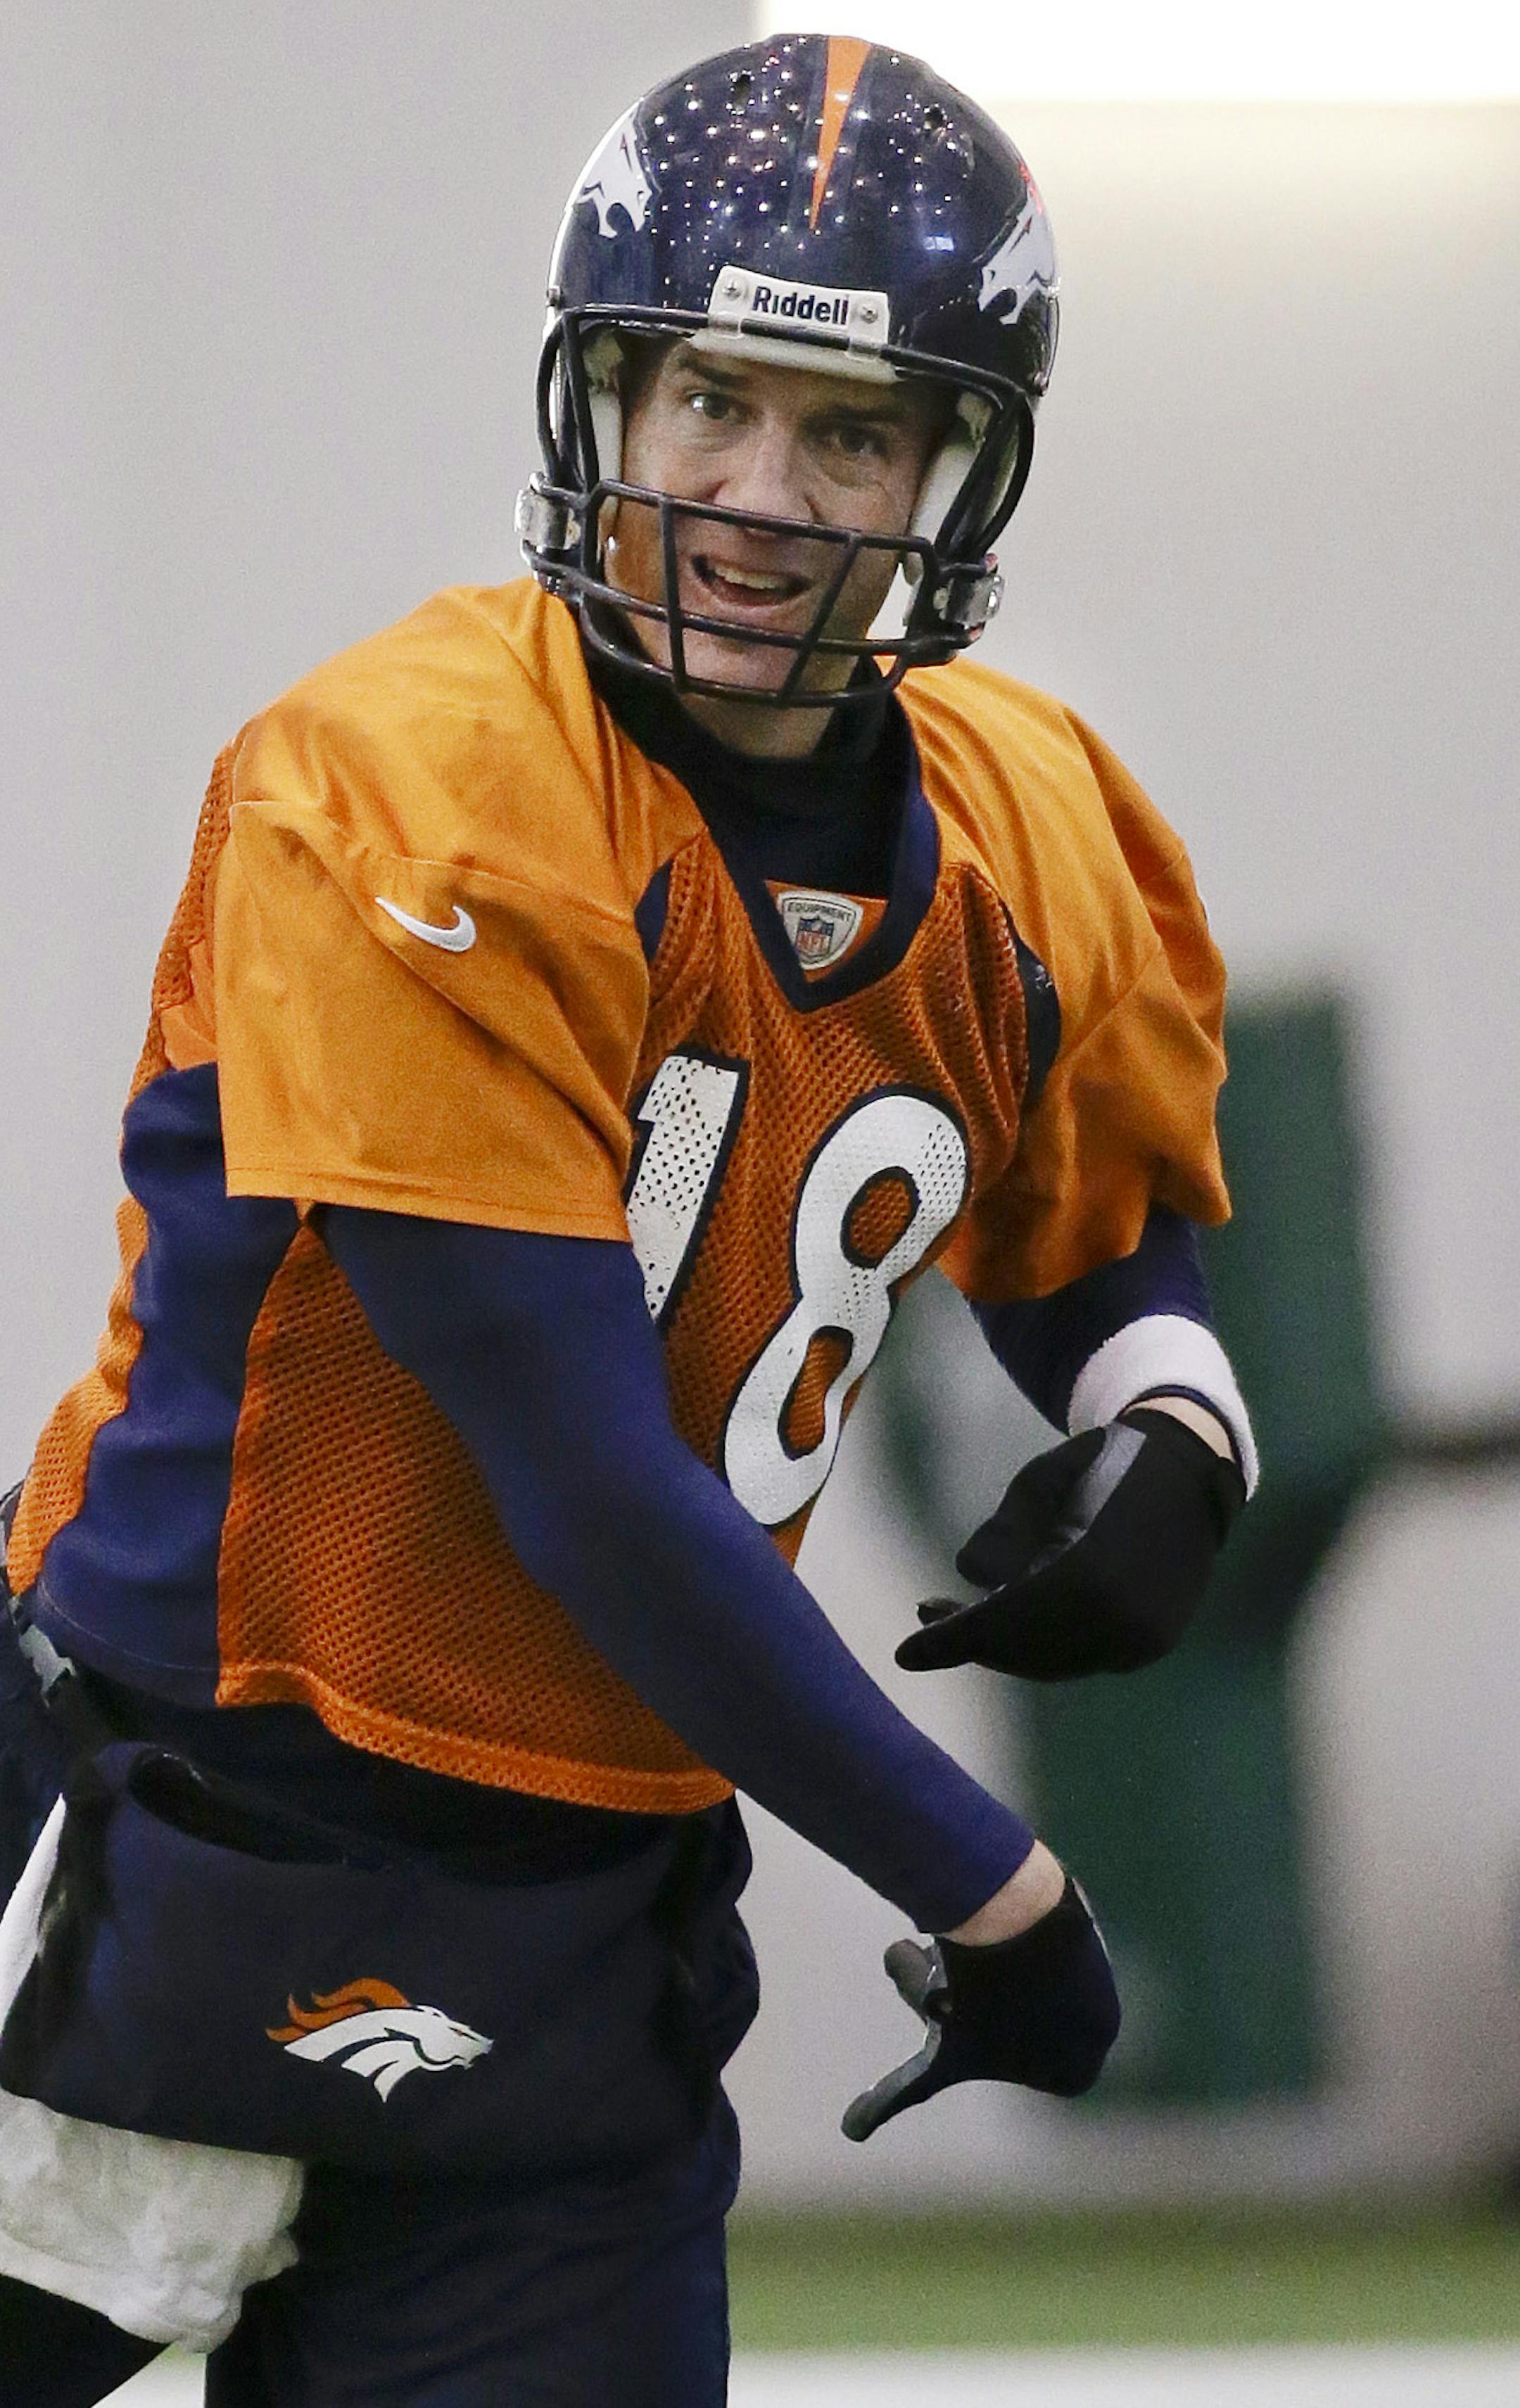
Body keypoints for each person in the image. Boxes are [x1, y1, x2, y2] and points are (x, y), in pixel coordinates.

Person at [0, 32, 1254, 2407]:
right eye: (709, 401)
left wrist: (1166, 1407)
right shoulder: (420, 787)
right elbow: (579, 1483)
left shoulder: (1026, 810)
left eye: (850, 431)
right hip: (173, 1808)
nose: (762, 491)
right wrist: (991, 1886)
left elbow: (1083, 1202)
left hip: (586, 1911)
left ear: (953, 468)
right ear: (606, 403)